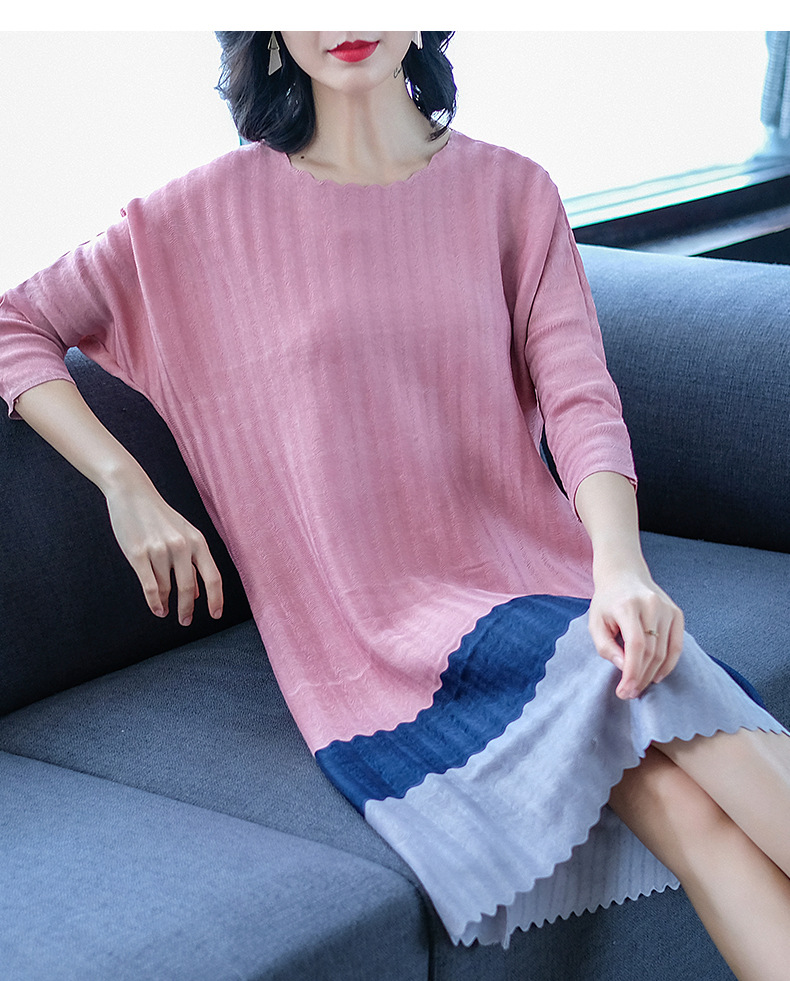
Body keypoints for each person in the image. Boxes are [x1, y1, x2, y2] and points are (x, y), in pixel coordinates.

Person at [1, 30, 789, 979]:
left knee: (691, 804)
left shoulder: (511, 191)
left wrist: (622, 570)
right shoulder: (191, 220)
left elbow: (581, 400)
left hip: (538, 576)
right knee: (643, 687)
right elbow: (15, 322)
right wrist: (125, 483)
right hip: (372, 639)